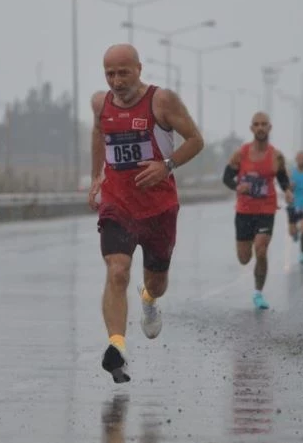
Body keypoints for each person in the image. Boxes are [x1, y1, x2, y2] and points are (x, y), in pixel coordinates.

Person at [88, 44, 204, 384]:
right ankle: (117, 346)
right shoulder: (101, 103)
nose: (116, 80)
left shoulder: (161, 101)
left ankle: (149, 299)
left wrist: (166, 166)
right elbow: (98, 132)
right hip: (117, 203)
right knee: (117, 270)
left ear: (139, 69)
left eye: (123, 72)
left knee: (157, 282)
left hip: (159, 208)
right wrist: (97, 175)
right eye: (110, 73)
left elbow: (196, 140)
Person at [222, 112, 293, 310]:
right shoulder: (241, 154)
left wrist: (287, 191)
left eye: (264, 124)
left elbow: (282, 178)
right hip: (244, 210)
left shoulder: (276, 155)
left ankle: (258, 293)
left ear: (269, 128)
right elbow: (226, 177)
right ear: (251, 128)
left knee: (261, 249)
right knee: (244, 258)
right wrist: (237, 187)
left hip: (266, 209)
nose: (260, 128)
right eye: (256, 124)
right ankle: (249, 251)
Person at [287, 150, 303, 265]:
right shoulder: (291, 173)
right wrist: (290, 187)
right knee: (292, 232)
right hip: (293, 204)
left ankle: (302, 254)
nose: (301, 160)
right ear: (296, 159)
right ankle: (295, 232)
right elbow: (286, 188)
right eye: (299, 158)